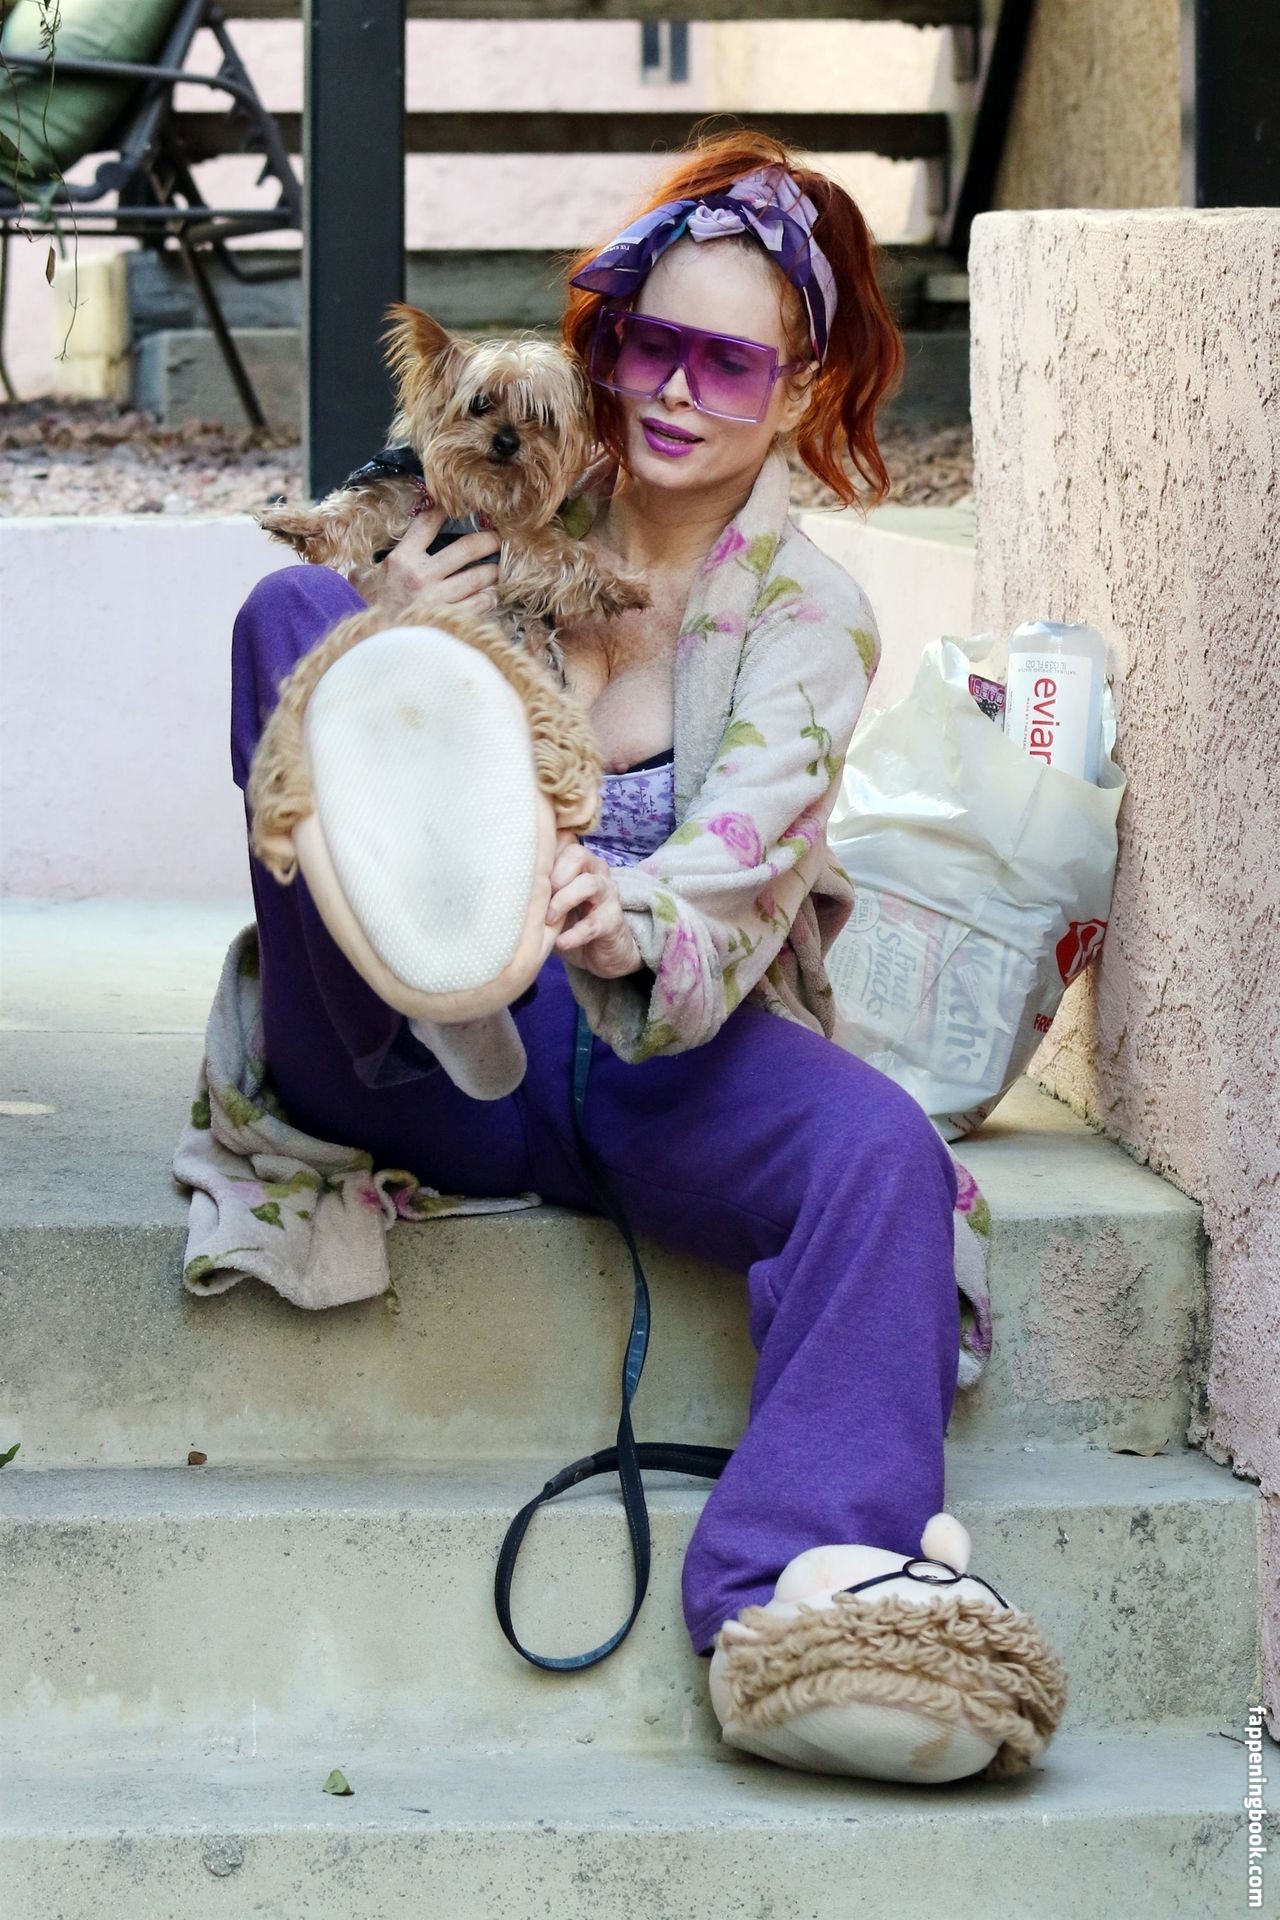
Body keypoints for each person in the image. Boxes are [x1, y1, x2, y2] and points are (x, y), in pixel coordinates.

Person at [228, 130, 996, 1774]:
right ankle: (448, 971)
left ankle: (797, 1596)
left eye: (731, 364)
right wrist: (397, 633)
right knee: (296, 630)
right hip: (396, 1046)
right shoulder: (496, 486)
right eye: (654, 344)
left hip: (640, 1048)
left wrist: (619, 917)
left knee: (882, 1151)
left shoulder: (808, 617)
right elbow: (324, 626)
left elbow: (740, 864)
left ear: (797, 392)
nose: (674, 393)